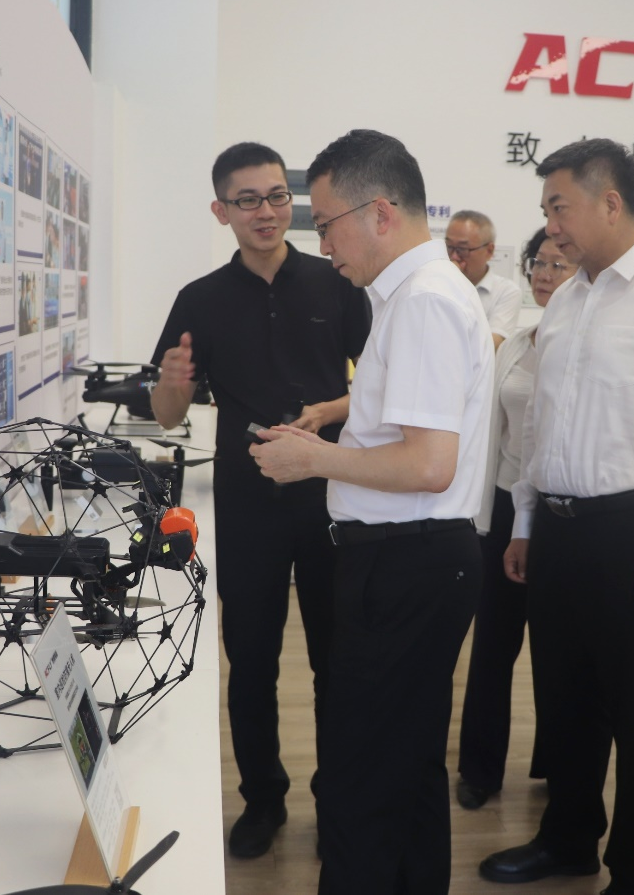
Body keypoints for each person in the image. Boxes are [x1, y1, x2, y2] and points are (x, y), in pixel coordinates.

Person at [249, 128, 494, 895]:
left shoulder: (422, 302)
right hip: (417, 559)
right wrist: (337, 413)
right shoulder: (420, 294)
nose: (322, 245)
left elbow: (427, 464)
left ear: (380, 212)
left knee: (360, 787)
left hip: (404, 563)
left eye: (325, 224)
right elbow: (412, 412)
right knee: (406, 771)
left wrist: (312, 460)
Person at [480, 138, 634, 895]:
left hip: (633, 532)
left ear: (610, 202)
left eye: (559, 207)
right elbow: (538, 426)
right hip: (557, 528)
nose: (550, 227)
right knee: (564, 698)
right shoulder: (567, 301)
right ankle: (568, 839)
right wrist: (525, 523)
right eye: (546, 210)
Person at [149, 141, 371, 859]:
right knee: (250, 663)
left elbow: (379, 382)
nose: (266, 211)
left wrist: (329, 410)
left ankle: (338, 798)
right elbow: (167, 415)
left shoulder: (336, 282)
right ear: (222, 212)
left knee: (337, 661)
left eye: (277, 196)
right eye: (248, 200)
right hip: (247, 504)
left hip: (331, 494)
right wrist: (173, 383)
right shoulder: (200, 298)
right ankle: (262, 800)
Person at [455, 228, 574, 810]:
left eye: (557, 263)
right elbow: (490, 434)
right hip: (505, 505)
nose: (544, 274)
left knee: (558, 648)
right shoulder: (517, 344)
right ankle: (479, 770)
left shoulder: (585, 349)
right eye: (537, 263)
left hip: (559, 512)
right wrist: (481, 518)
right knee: (493, 644)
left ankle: (557, 763)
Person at [446, 209, 521, 349]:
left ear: (489, 250)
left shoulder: (506, 291)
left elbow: (492, 345)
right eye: (449, 247)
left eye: (463, 249)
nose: (454, 256)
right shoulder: (438, 285)